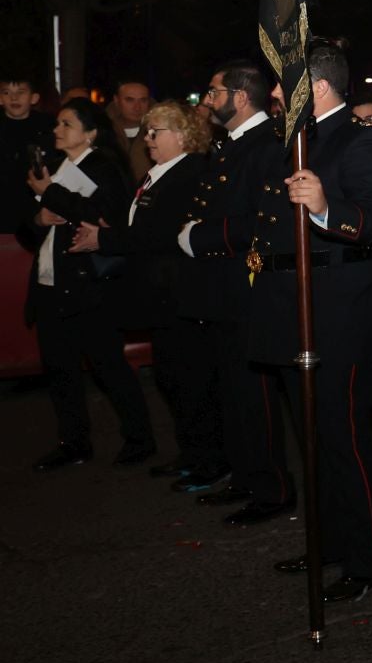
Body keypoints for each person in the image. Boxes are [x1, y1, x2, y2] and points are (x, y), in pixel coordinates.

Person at [256, 43, 372, 601]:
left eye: (282, 83)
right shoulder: (292, 140)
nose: (274, 94)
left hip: (345, 315)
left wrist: (323, 207)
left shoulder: (363, 139)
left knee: (343, 439)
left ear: (315, 87)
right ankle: (333, 544)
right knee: (313, 441)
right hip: (296, 310)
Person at [73, 101, 215, 478]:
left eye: (157, 132)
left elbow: (162, 233)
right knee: (171, 377)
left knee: (188, 378)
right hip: (160, 293)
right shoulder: (156, 174)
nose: (148, 139)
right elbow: (141, 225)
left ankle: (207, 458)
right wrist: (112, 228)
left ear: (184, 135)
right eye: (148, 131)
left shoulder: (191, 171)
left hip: (180, 291)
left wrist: (106, 238)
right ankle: (191, 453)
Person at [175, 62, 292, 517]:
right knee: (233, 393)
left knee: (254, 397)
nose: (207, 99)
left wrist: (199, 237)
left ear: (240, 97)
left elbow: (264, 220)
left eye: (213, 91)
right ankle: (246, 478)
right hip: (222, 289)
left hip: (249, 288)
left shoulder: (267, 145)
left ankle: (272, 490)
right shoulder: (234, 145)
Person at [23, 98, 153, 469]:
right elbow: (28, 226)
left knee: (107, 365)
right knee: (60, 370)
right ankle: (73, 442)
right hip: (50, 282)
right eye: (58, 123)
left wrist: (52, 194)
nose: (57, 130)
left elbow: (106, 217)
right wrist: (40, 217)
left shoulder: (102, 167)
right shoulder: (55, 166)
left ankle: (140, 438)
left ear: (90, 132)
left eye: (66, 124)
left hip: (87, 285)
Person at [0, 72, 54, 239]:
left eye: (21, 92)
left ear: (34, 98)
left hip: (36, 209)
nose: (13, 98)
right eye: (6, 92)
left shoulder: (49, 126)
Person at [107, 80, 154, 180]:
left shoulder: (161, 132)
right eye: (129, 100)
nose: (137, 107)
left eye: (143, 100)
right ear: (116, 100)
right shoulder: (102, 132)